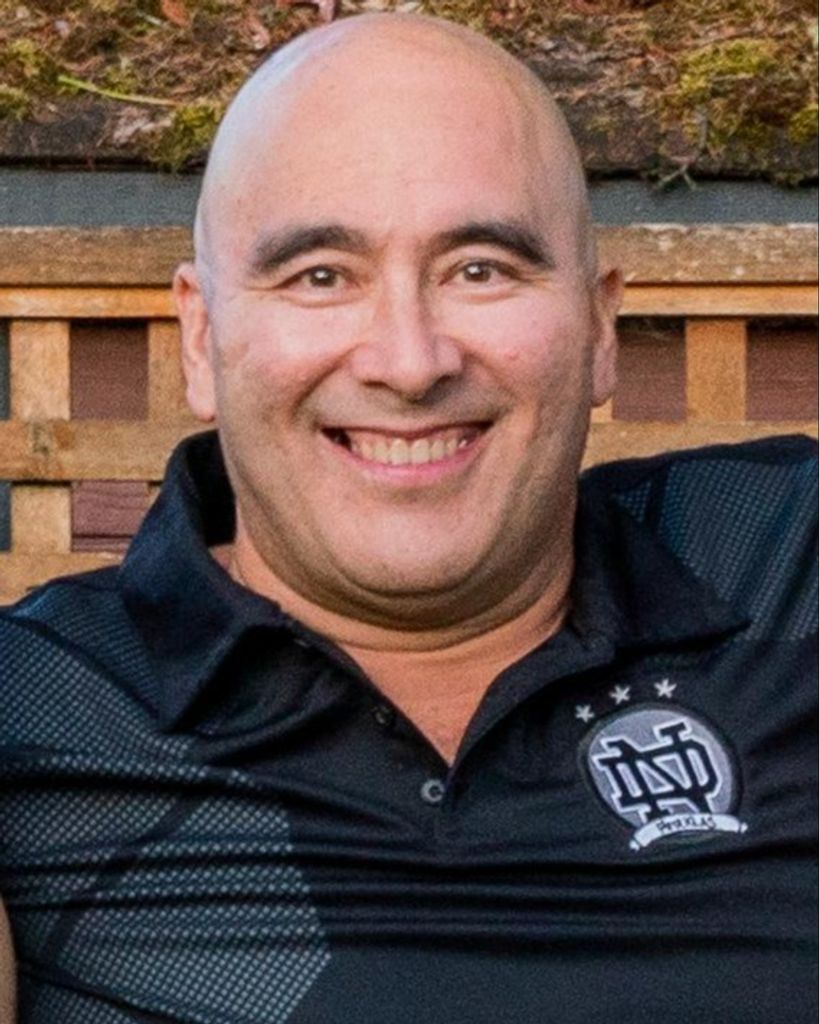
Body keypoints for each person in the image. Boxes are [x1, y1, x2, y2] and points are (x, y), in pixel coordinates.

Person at [0, 11, 816, 1024]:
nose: (410, 360)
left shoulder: (785, 560)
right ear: (202, 340)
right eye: (320, 276)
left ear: (600, 326)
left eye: (480, 268)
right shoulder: (36, 702)